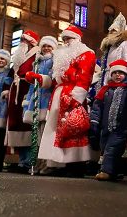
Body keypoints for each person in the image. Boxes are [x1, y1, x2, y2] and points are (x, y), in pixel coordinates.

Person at [37, 25, 96, 174]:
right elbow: (55, 80)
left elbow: (85, 77)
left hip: (72, 95)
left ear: (77, 39)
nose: (66, 42)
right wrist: (41, 79)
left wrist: (76, 97)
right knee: (56, 131)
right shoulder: (61, 56)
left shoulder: (86, 53)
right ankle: (57, 163)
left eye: (69, 38)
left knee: (72, 128)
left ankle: (73, 165)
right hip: (58, 95)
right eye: (64, 39)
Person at [89, 59, 127, 181]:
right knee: (105, 148)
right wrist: (94, 121)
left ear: (126, 75)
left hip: (121, 126)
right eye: (115, 73)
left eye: (121, 73)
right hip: (105, 126)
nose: (118, 75)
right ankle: (114, 171)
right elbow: (97, 107)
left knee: (112, 148)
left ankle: (106, 171)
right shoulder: (106, 90)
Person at [6, 30, 40, 171]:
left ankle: (27, 161)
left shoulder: (37, 54)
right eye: (22, 40)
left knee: (26, 124)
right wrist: (7, 88)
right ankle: (19, 159)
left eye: (25, 40)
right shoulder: (18, 56)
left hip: (28, 89)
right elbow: (11, 74)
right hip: (16, 91)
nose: (22, 43)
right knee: (16, 124)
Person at [23, 35, 58, 172]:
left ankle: (47, 164)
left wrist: (41, 78)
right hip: (36, 103)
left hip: (47, 101)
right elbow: (33, 86)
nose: (46, 48)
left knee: (45, 135)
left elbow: (53, 80)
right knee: (36, 136)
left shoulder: (55, 61)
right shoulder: (36, 63)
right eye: (44, 46)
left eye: (49, 46)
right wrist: (28, 102)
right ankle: (36, 163)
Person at [96, 13, 127, 89]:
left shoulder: (126, 44)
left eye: (115, 30)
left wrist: (124, 82)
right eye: (111, 30)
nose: (112, 33)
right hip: (105, 79)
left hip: (117, 80)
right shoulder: (109, 46)